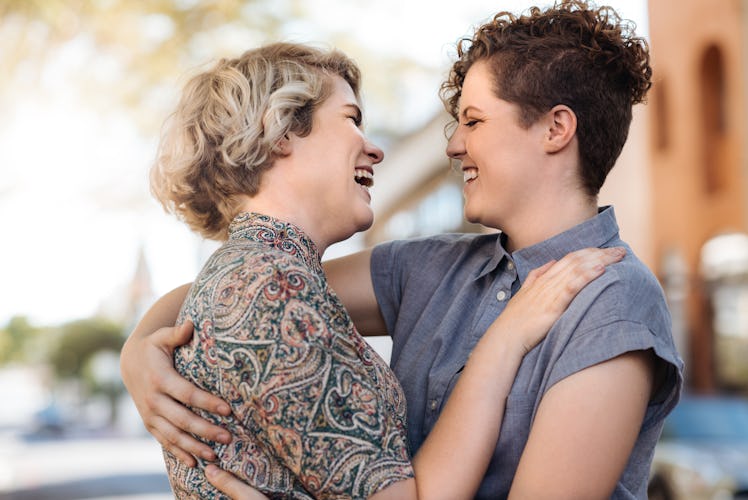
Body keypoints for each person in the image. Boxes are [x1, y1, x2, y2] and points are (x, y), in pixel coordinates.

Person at [121, 2, 684, 498]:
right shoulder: (428, 267)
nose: (455, 144)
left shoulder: (615, 301)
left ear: (555, 129)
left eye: (473, 120)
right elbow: (242, 294)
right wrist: (140, 353)